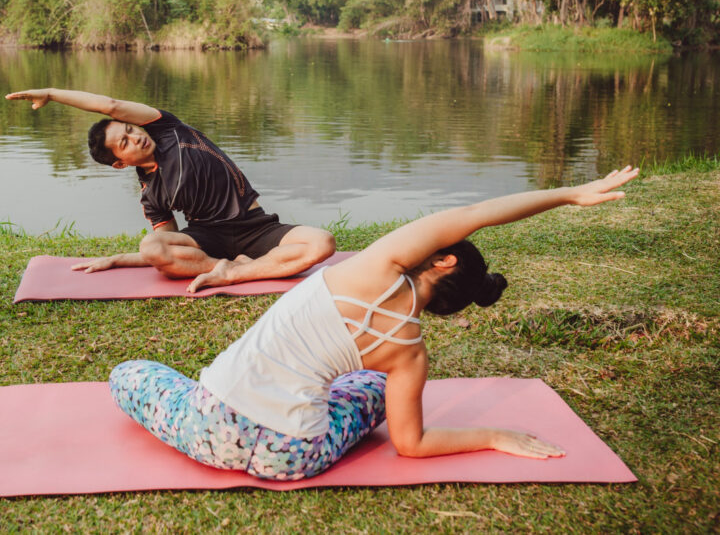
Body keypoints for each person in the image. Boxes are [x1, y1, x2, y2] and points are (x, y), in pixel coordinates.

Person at [108, 166, 640, 480]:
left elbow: (480, 212)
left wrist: (569, 194)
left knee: (129, 372)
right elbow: (411, 444)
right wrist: (493, 436)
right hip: (292, 456)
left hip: (212, 427)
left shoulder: (375, 266)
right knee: (368, 384)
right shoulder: (410, 354)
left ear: (444, 260)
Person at [5, 88, 335, 292]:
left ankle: (236, 272)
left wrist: (52, 93)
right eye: (125, 142)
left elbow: (111, 104)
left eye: (131, 130)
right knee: (151, 246)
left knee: (322, 242)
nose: (135, 137)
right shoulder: (151, 195)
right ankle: (227, 268)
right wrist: (119, 259)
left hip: (258, 228)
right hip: (210, 240)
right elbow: (166, 253)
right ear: (120, 163)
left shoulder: (169, 130)